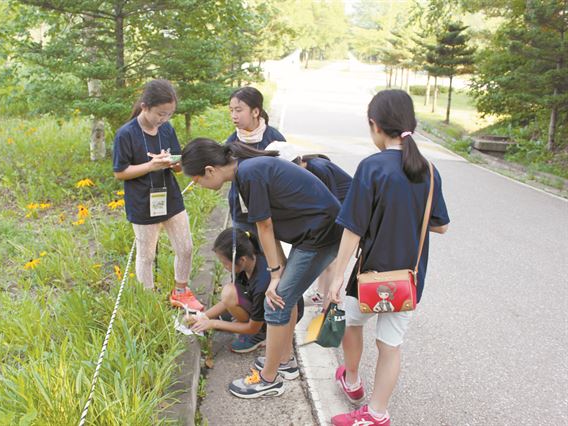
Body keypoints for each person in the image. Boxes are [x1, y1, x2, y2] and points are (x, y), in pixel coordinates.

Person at [181, 138, 342, 398]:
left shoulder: (248, 173)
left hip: (320, 235)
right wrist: (277, 271)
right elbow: (267, 228)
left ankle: (269, 380)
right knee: (283, 298)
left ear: (210, 170)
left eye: (197, 180)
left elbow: (265, 226)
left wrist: (276, 275)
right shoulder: (245, 170)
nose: (198, 185)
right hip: (315, 233)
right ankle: (285, 362)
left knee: (275, 302)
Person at [326, 90, 450, 426]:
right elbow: (441, 226)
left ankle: (351, 381)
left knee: (352, 323)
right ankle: (377, 414)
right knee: (390, 345)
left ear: (375, 125)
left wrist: (337, 277)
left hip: (370, 275)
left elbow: (352, 228)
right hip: (408, 279)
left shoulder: (372, 167)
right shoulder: (428, 169)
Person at [112, 79, 204, 312]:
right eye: (160, 114)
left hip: (170, 197)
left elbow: (178, 163)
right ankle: (148, 301)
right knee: (146, 256)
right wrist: (150, 165)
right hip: (142, 203)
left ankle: (181, 292)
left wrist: (173, 164)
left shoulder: (167, 129)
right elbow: (120, 172)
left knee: (185, 247)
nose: (163, 119)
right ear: (145, 107)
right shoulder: (126, 134)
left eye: (169, 114)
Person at [190, 228, 303, 354]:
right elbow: (228, 300)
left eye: (225, 263)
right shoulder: (248, 262)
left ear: (242, 260)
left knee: (229, 293)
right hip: (257, 301)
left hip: (280, 316)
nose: (224, 267)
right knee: (230, 295)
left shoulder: (262, 282)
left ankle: (261, 335)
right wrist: (202, 317)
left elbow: (252, 327)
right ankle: (241, 320)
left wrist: (213, 323)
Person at [266, 142, 352, 303]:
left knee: (331, 262)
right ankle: (320, 295)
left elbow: (332, 205)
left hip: (347, 212)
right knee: (325, 261)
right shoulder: (306, 171)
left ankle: (328, 305)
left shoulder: (318, 168)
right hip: (336, 213)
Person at [226, 87, 286, 235]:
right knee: (244, 255)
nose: (234, 115)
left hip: (270, 212)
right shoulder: (232, 141)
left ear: (255, 112)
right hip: (241, 212)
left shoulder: (274, 139)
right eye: (231, 110)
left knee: (268, 255)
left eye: (239, 110)